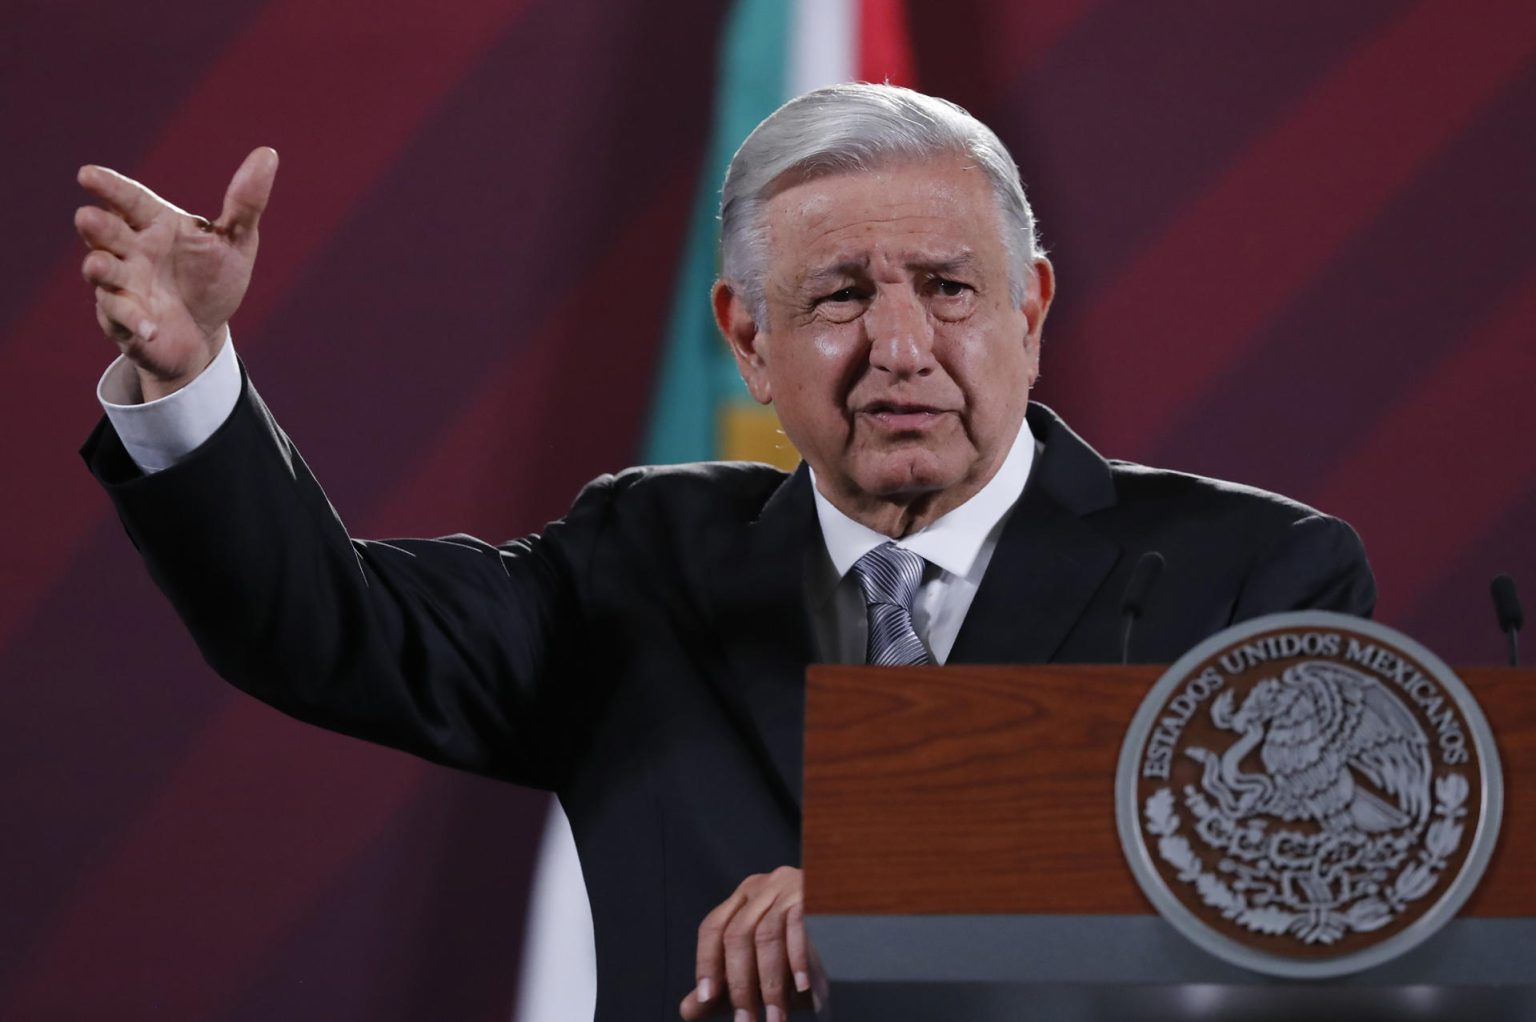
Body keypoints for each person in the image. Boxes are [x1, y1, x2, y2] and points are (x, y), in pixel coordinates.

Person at [76, 84, 1374, 1021]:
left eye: (950, 286)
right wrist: (189, 381)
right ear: (747, 340)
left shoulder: (1255, 569)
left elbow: (1319, 893)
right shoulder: (642, 558)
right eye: (842, 297)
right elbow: (327, 626)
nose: (903, 345)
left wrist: (906, 886)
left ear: (1030, 309)